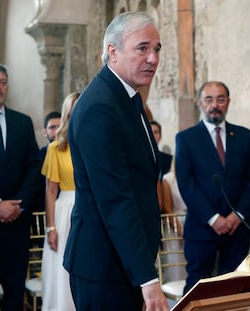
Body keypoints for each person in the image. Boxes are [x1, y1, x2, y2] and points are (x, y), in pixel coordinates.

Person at [63, 12, 169, 310]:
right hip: (104, 265)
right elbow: (115, 199)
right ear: (112, 51)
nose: (153, 58)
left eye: (157, 49)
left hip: (125, 261)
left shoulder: (125, 98)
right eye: (142, 48)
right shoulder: (100, 106)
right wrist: (148, 281)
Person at [175, 81, 250, 294]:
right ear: (199, 103)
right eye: (209, 99)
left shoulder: (244, 136)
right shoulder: (186, 139)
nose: (215, 105)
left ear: (228, 102)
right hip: (201, 229)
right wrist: (213, 218)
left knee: (235, 289)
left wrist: (237, 215)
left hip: (237, 230)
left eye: (220, 99)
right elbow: (186, 184)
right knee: (197, 289)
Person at [0, 61, 41, 310]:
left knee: (14, 291)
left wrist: (18, 204)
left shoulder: (23, 122)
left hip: (16, 223)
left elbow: (34, 167)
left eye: (2, 82)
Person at [41, 92, 79, 311]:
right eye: (73, 109)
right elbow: (50, 190)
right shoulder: (56, 147)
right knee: (63, 269)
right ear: (67, 113)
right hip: (65, 211)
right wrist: (51, 226)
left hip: (91, 208)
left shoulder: (93, 142)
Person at [35, 111, 61, 211]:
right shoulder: (39, 156)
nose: (57, 130)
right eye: (52, 127)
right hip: (45, 210)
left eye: (60, 126)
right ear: (45, 132)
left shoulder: (74, 152)